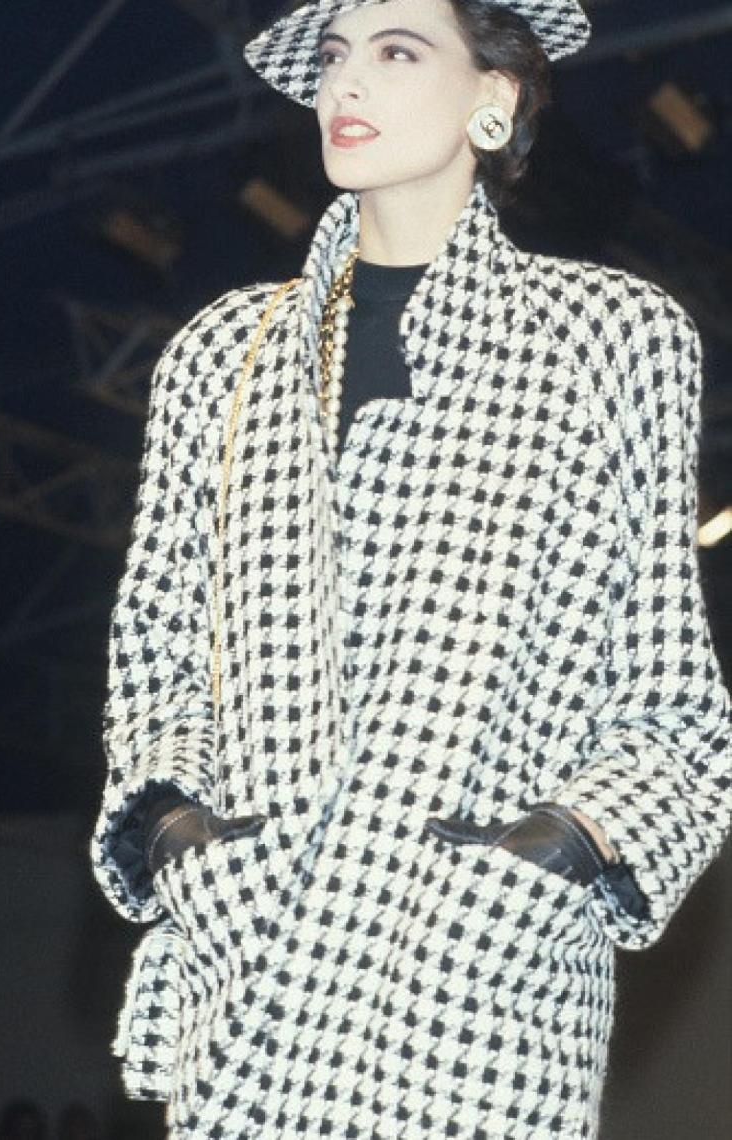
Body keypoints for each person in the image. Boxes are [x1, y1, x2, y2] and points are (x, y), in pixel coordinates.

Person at [90, 1, 732, 1137]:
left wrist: (559, 851)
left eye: (396, 52)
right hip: (250, 977)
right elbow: (155, 646)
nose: (347, 84)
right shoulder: (220, 355)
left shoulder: (614, 338)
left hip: (482, 986)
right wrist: (180, 831)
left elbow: (670, 698)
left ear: (495, 98)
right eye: (335, 56)